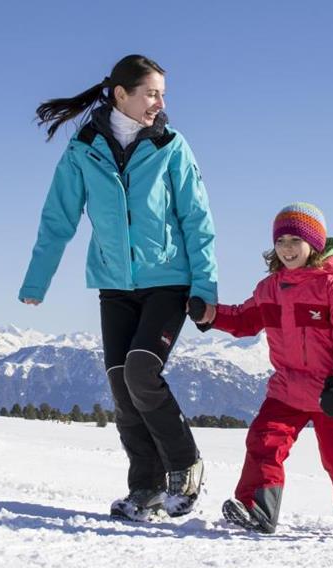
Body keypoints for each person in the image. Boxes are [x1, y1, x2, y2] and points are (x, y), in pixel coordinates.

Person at [19, 54, 218, 522]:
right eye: (151, 93)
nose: (160, 103)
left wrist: (205, 285)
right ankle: (144, 488)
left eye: (162, 94)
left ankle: (185, 465)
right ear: (120, 94)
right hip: (114, 283)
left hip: (169, 280)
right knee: (121, 386)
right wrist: (37, 279)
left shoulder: (171, 144)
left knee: (141, 374)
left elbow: (197, 217)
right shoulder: (84, 148)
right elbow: (58, 217)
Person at [193, 203, 333, 538]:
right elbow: (244, 318)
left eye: (296, 240)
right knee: (263, 441)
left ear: (315, 244)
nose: (287, 248)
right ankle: (257, 509)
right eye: (281, 241)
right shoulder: (271, 288)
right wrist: (210, 314)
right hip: (288, 389)